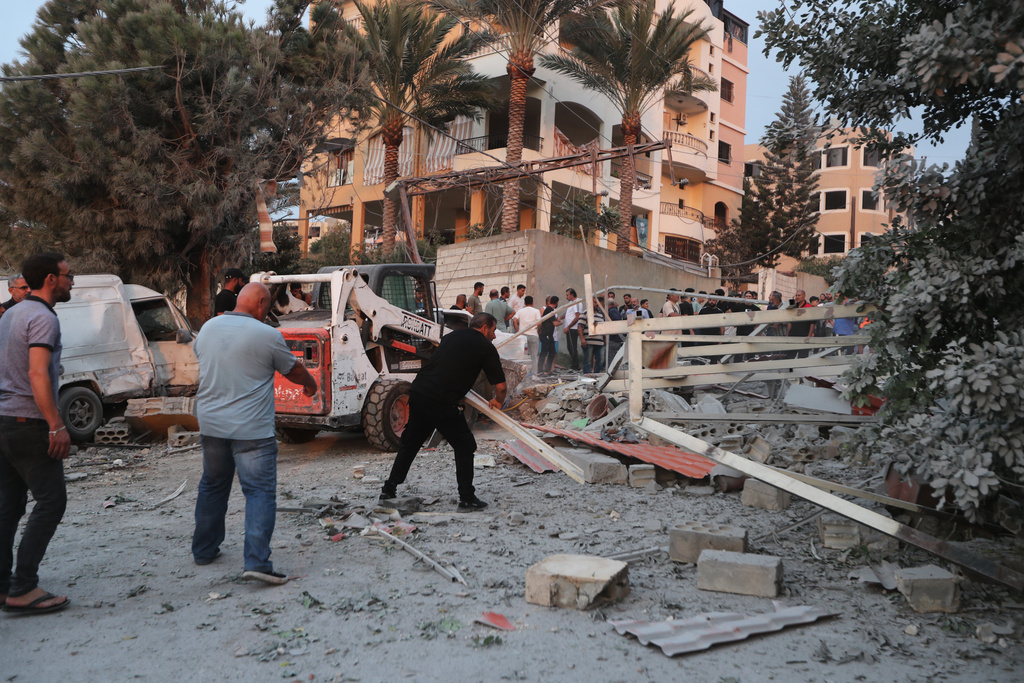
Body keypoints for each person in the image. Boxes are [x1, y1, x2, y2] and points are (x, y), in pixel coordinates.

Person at [192, 283, 318, 585]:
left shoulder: (207, 328)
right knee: (259, 492)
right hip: (251, 430)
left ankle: (204, 550)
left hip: (211, 425)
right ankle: (257, 562)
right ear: (261, 303)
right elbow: (294, 370)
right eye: (268, 307)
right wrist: (310, 385)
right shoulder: (267, 335)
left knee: (212, 485)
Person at [0, 252, 73, 615]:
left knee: (8, 507)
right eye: (67, 275)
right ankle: (24, 586)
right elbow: (37, 374)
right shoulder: (43, 318)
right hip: (29, 423)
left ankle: (3, 586)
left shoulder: (11, 313)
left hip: (4, 422)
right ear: (50, 279)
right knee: (51, 501)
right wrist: (55, 424)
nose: (71, 281)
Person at [381, 313, 506, 509]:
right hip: (440, 400)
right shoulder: (485, 347)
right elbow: (500, 387)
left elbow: (448, 366)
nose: (494, 336)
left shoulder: (450, 337)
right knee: (465, 445)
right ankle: (466, 497)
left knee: (410, 443)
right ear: (484, 328)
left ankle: (388, 490)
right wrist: (498, 402)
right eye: (493, 331)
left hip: (420, 392)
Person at [511, 296, 542, 373]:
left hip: (523, 337)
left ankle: (522, 374)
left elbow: (514, 320)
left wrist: (518, 332)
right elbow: (540, 323)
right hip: (533, 335)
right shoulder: (536, 311)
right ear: (533, 302)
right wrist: (539, 330)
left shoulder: (521, 311)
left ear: (524, 303)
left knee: (523, 357)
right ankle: (534, 374)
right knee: (534, 356)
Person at [578, 296, 606, 373]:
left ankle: (595, 375)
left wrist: (605, 339)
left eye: (597, 302)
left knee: (601, 360)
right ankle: (587, 376)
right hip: (588, 342)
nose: (597, 304)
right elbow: (580, 326)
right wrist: (582, 339)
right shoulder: (585, 313)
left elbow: (603, 328)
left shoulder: (600, 314)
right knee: (587, 361)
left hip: (599, 342)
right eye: (594, 302)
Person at [787, 289, 815, 358]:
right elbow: (790, 321)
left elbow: (812, 323)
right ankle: (790, 369)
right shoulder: (793, 307)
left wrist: (809, 336)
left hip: (804, 335)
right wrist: (787, 334)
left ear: (804, 296)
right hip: (793, 335)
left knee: (802, 357)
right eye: (796, 295)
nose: (797, 297)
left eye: (799, 295)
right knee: (789, 356)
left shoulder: (809, 307)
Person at [562, 288, 583, 371]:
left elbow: (577, 316)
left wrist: (568, 327)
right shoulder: (571, 303)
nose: (566, 297)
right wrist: (560, 317)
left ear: (572, 295)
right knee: (570, 347)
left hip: (573, 328)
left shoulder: (577, 302)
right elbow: (567, 313)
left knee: (572, 347)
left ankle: (575, 366)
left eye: (567, 295)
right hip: (570, 328)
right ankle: (575, 364)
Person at [538, 295, 560, 373]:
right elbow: (555, 323)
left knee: (552, 352)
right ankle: (540, 370)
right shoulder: (550, 310)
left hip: (549, 335)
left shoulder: (551, 310)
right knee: (544, 352)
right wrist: (560, 322)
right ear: (557, 302)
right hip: (546, 334)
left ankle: (547, 370)